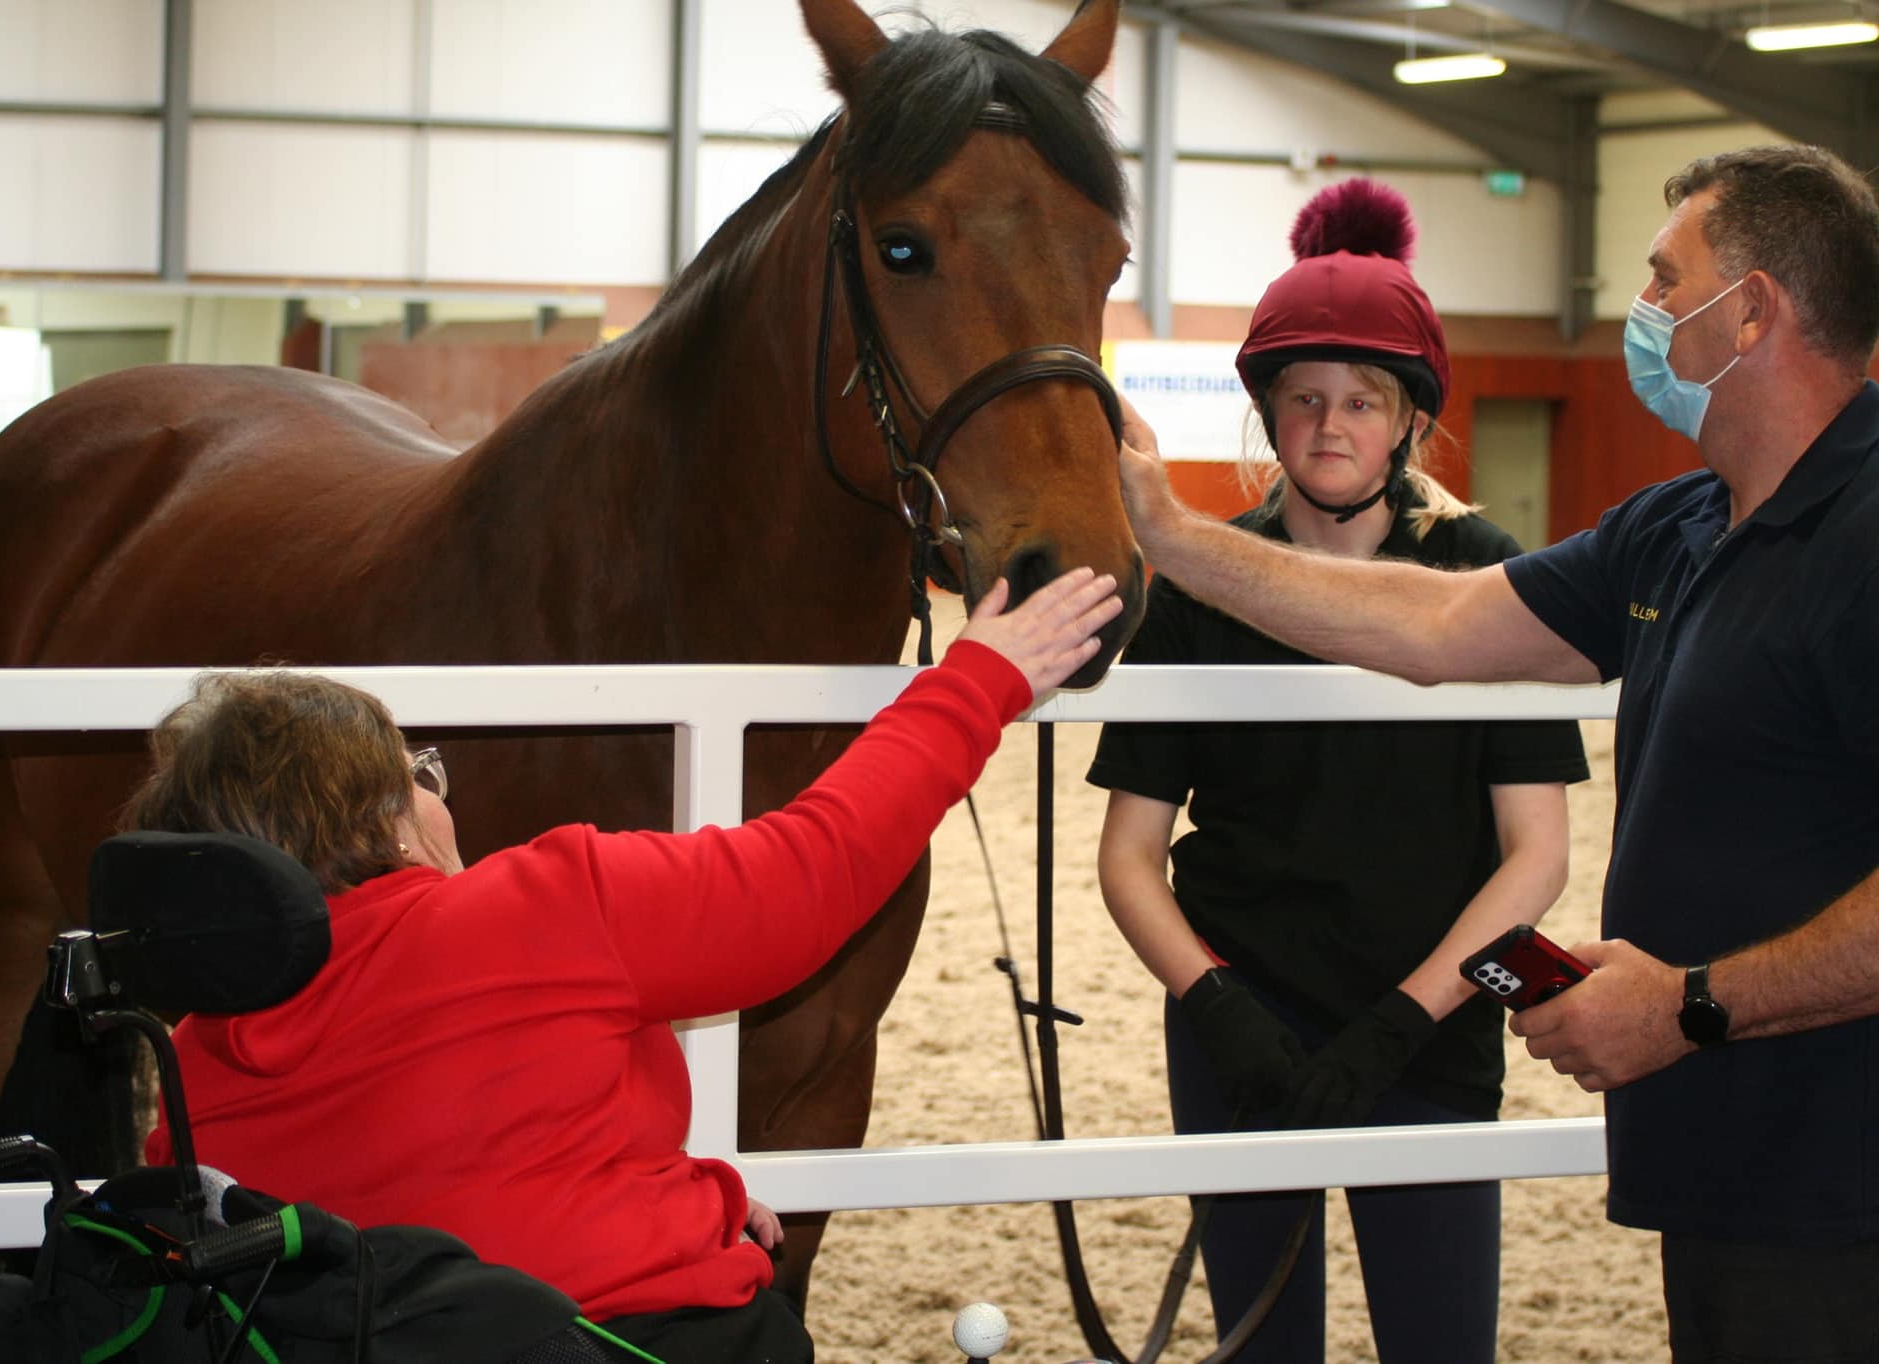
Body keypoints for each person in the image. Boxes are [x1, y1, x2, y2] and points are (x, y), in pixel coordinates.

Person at [1115, 144, 1879, 1363]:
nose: (1638, 310)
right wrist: (1171, 535)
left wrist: (1688, 1002)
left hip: (1842, 1177)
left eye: (1660, 277)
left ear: (1751, 310)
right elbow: (1437, 624)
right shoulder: (1676, 527)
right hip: (1726, 1156)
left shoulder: (1864, 534)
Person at [127, 567, 1123, 1364]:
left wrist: (675, 1188)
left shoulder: (195, 1055)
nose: (439, 798)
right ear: (377, 815)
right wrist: (975, 679)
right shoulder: (543, 904)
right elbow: (812, 870)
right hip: (611, 1337)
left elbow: (453, 1158)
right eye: (417, 774)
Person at [1087, 178, 1587, 1363]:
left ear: (1408, 417)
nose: (1327, 426)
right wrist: (1218, 1005)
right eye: (1301, 399)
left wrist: (1404, 1018)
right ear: (1267, 412)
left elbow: (1538, 852)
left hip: (1430, 1021)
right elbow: (1127, 855)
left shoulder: (1486, 578)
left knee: (1439, 1341)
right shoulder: (1202, 589)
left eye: (1360, 399)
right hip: (1241, 1026)